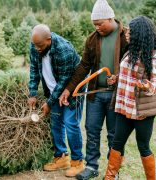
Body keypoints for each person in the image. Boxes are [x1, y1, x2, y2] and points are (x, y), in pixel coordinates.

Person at [58, 0, 128, 179]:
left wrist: (119, 77)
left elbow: (134, 65)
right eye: (94, 24)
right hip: (95, 95)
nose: (97, 28)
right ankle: (91, 166)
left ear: (110, 18)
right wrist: (69, 89)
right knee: (91, 129)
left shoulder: (125, 36)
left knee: (114, 134)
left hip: (116, 96)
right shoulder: (92, 39)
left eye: (100, 24)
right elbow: (84, 66)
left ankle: (114, 171)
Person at [104, 16, 156, 180]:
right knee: (117, 143)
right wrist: (116, 78)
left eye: (130, 31)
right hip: (124, 106)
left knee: (143, 146)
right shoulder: (130, 52)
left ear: (139, 34)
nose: (126, 33)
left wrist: (146, 85)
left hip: (142, 111)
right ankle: (109, 177)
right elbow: (128, 74)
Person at [28, 24, 84, 177]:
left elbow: (64, 81)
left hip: (72, 90)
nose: (37, 49)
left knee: (71, 123)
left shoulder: (63, 49)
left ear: (49, 39)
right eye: (35, 45)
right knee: (56, 123)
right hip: (54, 91)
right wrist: (32, 93)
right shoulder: (35, 46)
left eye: (40, 45)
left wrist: (49, 102)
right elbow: (34, 69)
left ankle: (77, 161)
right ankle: (61, 157)